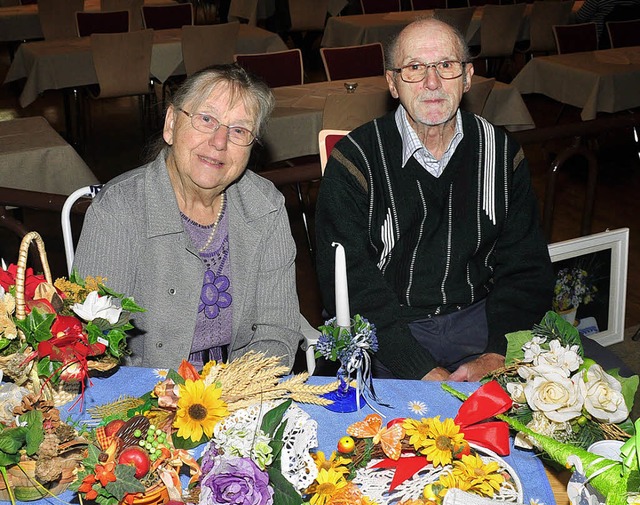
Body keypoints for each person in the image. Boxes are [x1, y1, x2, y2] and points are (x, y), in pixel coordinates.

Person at [315, 18, 555, 382]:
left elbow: (526, 266)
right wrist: (419, 369)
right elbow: (351, 284)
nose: (432, 82)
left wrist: (498, 353)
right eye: (414, 68)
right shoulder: (355, 161)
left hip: (485, 321)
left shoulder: (502, 153)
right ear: (393, 83)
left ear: (468, 76)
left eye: (446, 66)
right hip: (390, 334)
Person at [74, 64, 301, 371]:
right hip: (142, 393)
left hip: (238, 387)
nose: (219, 142)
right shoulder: (119, 210)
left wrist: (228, 390)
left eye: (239, 131)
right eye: (206, 119)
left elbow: (278, 330)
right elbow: (93, 339)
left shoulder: (266, 207)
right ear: (171, 123)